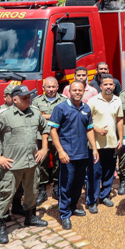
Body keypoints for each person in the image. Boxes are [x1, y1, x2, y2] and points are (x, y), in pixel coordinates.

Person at [0, 86, 50, 243]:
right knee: (5, 193)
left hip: (32, 163)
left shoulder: (35, 112)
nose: (28, 99)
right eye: (24, 97)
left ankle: (30, 217)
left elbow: (45, 128)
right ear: (14, 99)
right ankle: (1, 225)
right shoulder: (4, 115)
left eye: (29, 96)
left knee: (31, 191)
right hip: (11, 165)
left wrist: (44, 147)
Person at [49, 81, 98, 228]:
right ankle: (64, 214)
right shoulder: (61, 108)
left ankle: (73, 206)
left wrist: (94, 148)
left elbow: (89, 129)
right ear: (69, 91)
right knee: (66, 184)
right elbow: (53, 131)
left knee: (78, 183)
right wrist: (60, 151)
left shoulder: (86, 108)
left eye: (80, 90)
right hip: (67, 155)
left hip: (83, 153)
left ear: (84, 91)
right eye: (74, 90)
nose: (77, 92)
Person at [87, 75, 124, 211]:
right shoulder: (92, 101)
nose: (108, 87)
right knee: (94, 173)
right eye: (106, 84)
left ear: (114, 86)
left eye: (111, 84)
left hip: (111, 143)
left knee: (109, 171)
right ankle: (91, 200)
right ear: (101, 86)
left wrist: (120, 138)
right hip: (95, 144)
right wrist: (96, 129)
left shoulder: (117, 100)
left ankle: (104, 196)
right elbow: (86, 120)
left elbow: (119, 119)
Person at [33, 77, 67, 205]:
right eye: (48, 87)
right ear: (43, 88)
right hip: (42, 136)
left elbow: (65, 116)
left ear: (57, 87)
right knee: (41, 161)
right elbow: (36, 116)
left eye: (53, 87)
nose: (51, 89)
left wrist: (45, 117)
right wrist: (55, 116)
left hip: (59, 136)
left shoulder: (64, 100)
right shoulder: (37, 101)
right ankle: (42, 189)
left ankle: (57, 187)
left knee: (60, 161)